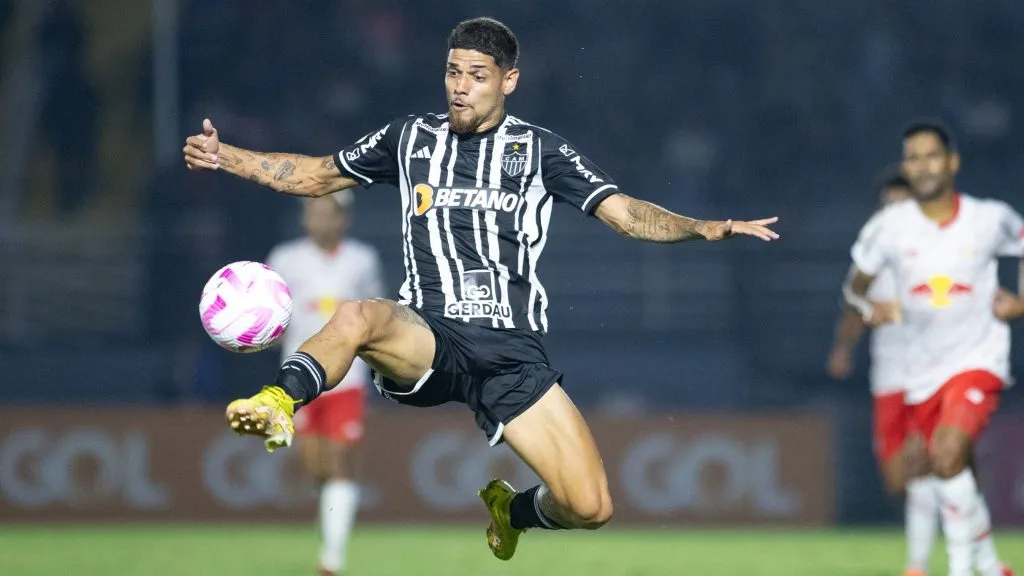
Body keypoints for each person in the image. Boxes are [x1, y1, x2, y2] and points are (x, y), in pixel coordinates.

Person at [183, 17, 779, 561]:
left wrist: (702, 227)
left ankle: (511, 509)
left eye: (477, 75)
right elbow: (315, 175)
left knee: (591, 507)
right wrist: (225, 156)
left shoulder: (540, 151)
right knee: (362, 316)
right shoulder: (410, 139)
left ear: (509, 81)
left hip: (509, 355)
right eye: (452, 72)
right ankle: (278, 402)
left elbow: (626, 214)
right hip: (431, 334)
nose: (459, 87)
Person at [843, 119, 1022, 576]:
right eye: (914, 158)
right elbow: (854, 287)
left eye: (932, 156)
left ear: (952, 162)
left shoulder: (990, 217)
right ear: (906, 166)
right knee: (941, 472)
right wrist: (868, 306)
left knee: (945, 457)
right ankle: (988, 563)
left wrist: (1020, 301)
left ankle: (954, 569)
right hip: (918, 371)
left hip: (978, 359)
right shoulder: (888, 227)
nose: (923, 166)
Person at [265, 191, 384, 576]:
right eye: (313, 213)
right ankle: (331, 520)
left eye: (327, 213)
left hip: (347, 376)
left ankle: (333, 556)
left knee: (340, 460)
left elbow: (376, 313)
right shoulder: (283, 259)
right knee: (314, 464)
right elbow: (265, 312)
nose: (319, 220)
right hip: (298, 377)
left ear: (342, 219)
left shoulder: (362, 260)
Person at [827, 170, 939, 576]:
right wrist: (843, 347)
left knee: (920, 460)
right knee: (896, 479)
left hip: (930, 370)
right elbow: (853, 304)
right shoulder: (872, 251)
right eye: (888, 203)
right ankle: (956, 497)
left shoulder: (936, 248)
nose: (894, 210)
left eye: (902, 203)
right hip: (887, 375)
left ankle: (920, 562)